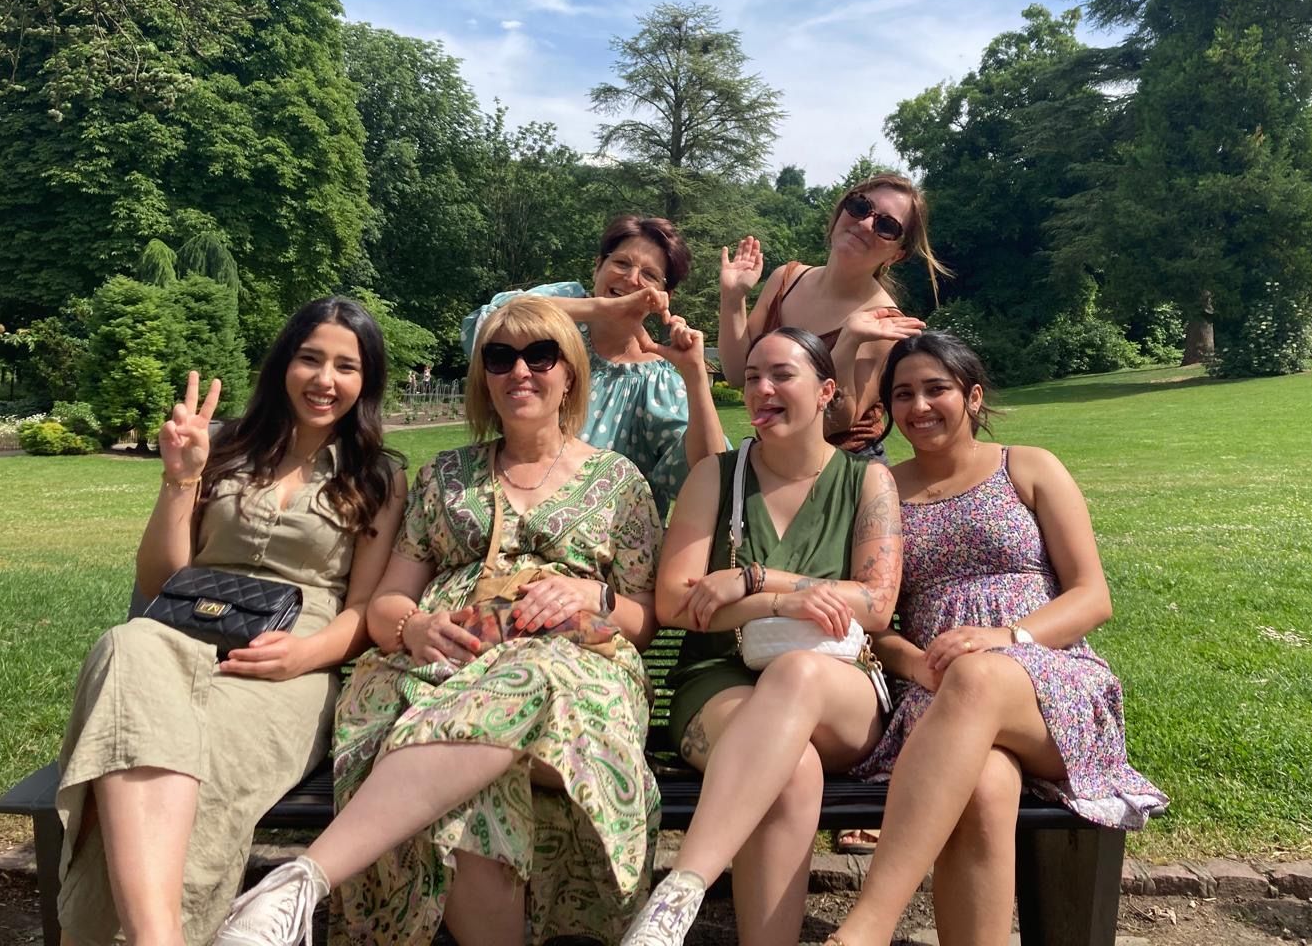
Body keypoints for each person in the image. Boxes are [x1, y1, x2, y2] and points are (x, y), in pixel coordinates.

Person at [217, 296, 662, 946]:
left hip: (572, 674)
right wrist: (415, 629)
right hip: (440, 667)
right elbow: (388, 603)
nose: (520, 371)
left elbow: (644, 618)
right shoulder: (446, 477)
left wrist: (592, 597)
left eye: (541, 356)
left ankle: (302, 880)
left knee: (531, 677)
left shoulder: (618, 482)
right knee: (474, 799)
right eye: (500, 357)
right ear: (484, 376)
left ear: (570, 373)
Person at [53, 297, 408, 946]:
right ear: (283, 364)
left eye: (346, 366)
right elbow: (160, 581)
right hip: (180, 637)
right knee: (127, 647)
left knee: (192, 750)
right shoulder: (223, 447)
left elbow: (361, 609)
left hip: (285, 669)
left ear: (367, 381)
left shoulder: (377, 477)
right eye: (310, 359)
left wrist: (303, 656)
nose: (324, 379)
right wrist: (180, 481)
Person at [824, 332, 1168, 946]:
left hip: (1051, 682)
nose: (919, 406)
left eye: (936, 389)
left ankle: (867, 927)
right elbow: (875, 621)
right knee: (984, 788)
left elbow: (1092, 595)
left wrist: (1008, 636)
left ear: (973, 396)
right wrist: (919, 665)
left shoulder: (1027, 466)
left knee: (979, 674)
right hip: (939, 694)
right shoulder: (880, 489)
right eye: (903, 394)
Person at [620, 327, 903, 946]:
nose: (762, 389)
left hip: (837, 683)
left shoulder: (866, 482)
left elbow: (877, 604)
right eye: (751, 377)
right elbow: (675, 603)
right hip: (718, 681)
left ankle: (682, 887)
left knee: (795, 673)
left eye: (781, 375)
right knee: (791, 770)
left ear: (826, 390)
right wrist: (783, 603)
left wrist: (754, 580)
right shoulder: (715, 477)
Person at [462, 213, 723, 513]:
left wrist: (695, 375)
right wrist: (600, 308)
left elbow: (711, 476)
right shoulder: (558, 328)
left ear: (665, 296)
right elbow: (489, 322)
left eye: (649, 275)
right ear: (598, 266)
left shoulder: (654, 383)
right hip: (511, 507)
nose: (631, 278)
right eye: (621, 263)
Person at [718, 174, 940, 462]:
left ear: (896, 254)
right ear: (840, 213)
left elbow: (836, 422)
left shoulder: (884, 323)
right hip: (774, 458)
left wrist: (848, 341)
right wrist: (733, 299)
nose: (865, 224)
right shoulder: (785, 279)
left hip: (843, 469)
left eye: (887, 226)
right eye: (860, 207)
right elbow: (737, 373)